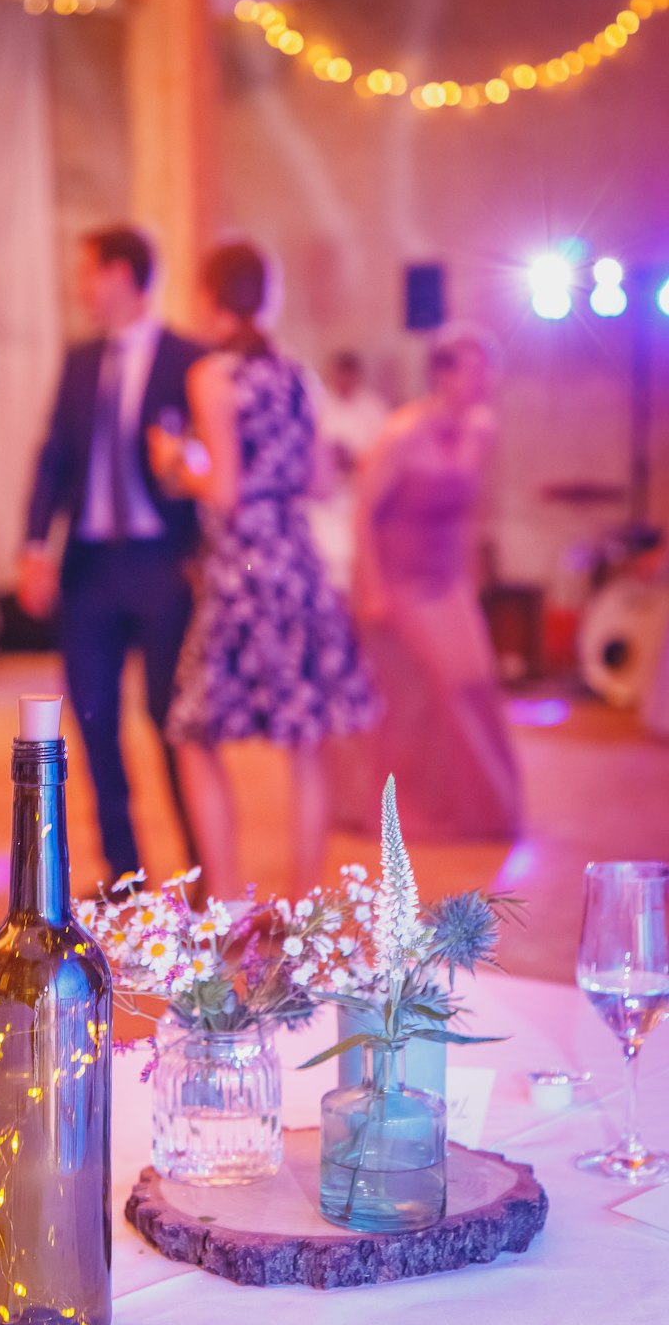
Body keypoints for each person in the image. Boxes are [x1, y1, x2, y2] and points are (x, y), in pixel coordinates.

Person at [148, 242, 379, 900]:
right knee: (305, 740)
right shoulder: (298, 375)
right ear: (266, 298)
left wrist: (171, 459)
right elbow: (315, 481)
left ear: (210, 300)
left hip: (243, 564)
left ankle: (222, 900)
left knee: (192, 729)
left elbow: (222, 488)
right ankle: (303, 908)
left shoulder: (213, 376)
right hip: (295, 559)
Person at [16, 226, 202, 881]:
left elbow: (210, 457)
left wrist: (188, 465)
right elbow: (53, 458)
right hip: (90, 566)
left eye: (87, 273)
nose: (81, 288)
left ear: (123, 275)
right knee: (94, 723)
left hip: (162, 562)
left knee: (171, 719)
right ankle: (124, 875)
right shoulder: (79, 359)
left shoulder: (188, 358)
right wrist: (34, 545)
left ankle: (200, 869)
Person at [334, 322, 521, 841]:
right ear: (442, 375)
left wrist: (470, 577)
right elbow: (363, 514)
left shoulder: (482, 427)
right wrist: (371, 589)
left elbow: (467, 512)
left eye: (489, 367)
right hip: (398, 576)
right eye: (473, 368)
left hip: (446, 579)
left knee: (476, 682)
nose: (484, 378)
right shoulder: (402, 432)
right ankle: (408, 808)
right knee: (423, 693)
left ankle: (475, 809)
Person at [309, 350, 390, 589]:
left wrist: (354, 459)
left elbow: (383, 455)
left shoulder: (374, 409)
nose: (344, 381)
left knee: (354, 561)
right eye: (339, 375)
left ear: (356, 376)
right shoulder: (319, 405)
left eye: (349, 375)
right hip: (325, 501)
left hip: (358, 497)